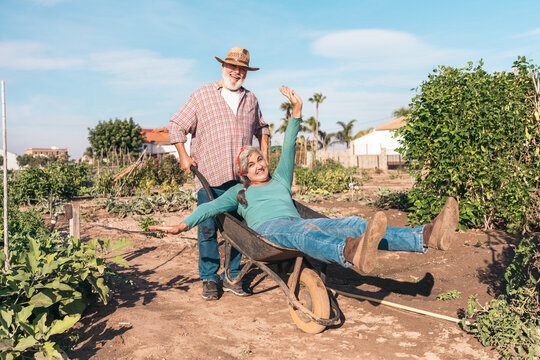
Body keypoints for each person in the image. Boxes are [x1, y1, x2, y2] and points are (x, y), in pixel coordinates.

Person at [156, 86, 459, 277]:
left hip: (295, 221)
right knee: (305, 236)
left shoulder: (280, 179)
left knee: (354, 222)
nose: (258, 164)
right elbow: (208, 209)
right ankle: (348, 253)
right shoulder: (239, 192)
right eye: (251, 164)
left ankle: (426, 236)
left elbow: (287, 147)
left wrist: (296, 113)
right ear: (243, 173)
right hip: (269, 232)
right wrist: (182, 225)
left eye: (260, 159)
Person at [168, 47, 269, 300]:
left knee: (238, 231)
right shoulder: (202, 95)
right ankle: (210, 278)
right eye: (232, 67)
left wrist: (264, 154)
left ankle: (232, 276)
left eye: (242, 69)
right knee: (208, 229)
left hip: (242, 180)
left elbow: (263, 128)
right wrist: (183, 155)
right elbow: (176, 125)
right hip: (210, 176)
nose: (236, 72)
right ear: (223, 67)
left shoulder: (251, 99)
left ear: (246, 72)